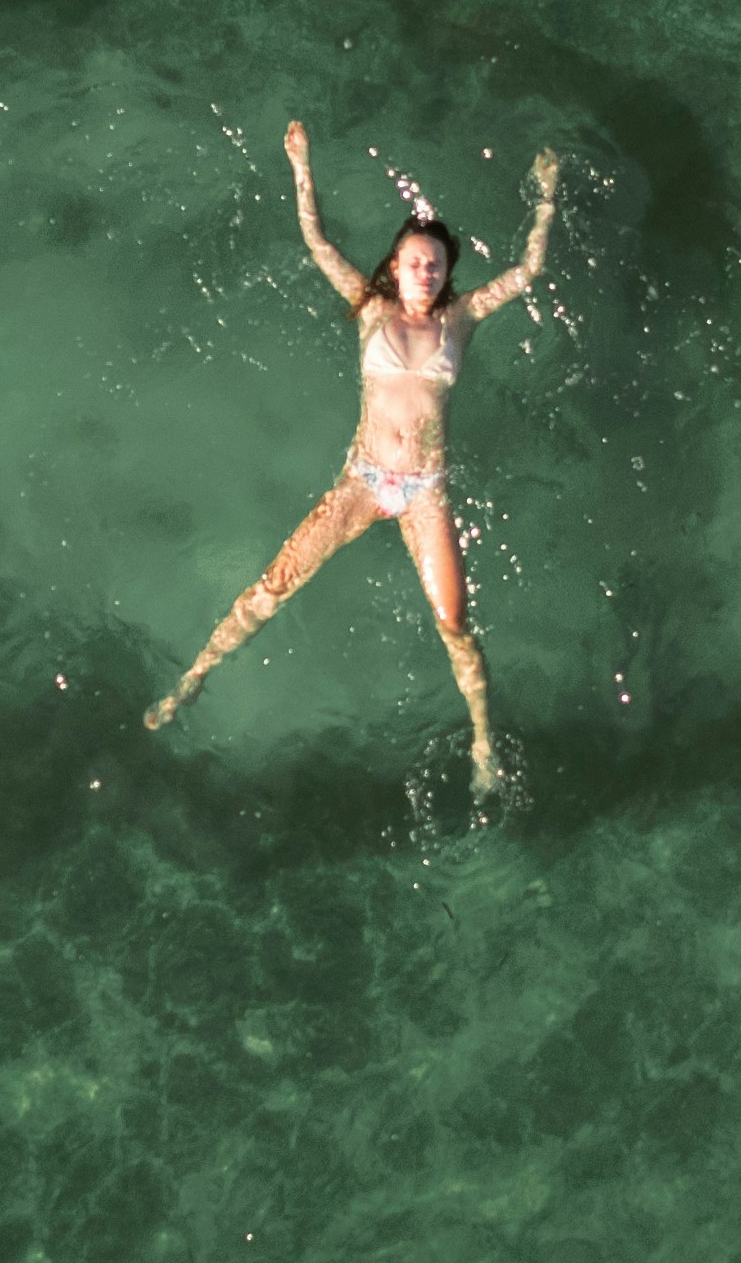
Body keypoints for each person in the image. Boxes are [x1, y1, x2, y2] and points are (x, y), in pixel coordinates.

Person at [148, 121, 562, 792]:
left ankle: (483, 741)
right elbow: (316, 240)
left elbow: (529, 271)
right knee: (277, 581)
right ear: (395, 268)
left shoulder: (461, 319)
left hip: (425, 488)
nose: (425, 271)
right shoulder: (370, 310)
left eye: (436, 263)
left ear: (449, 271)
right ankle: (193, 678)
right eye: (414, 261)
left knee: (455, 622)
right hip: (365, 480)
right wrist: (301, 165)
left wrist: (545, 197)